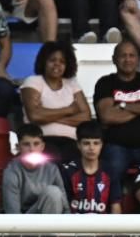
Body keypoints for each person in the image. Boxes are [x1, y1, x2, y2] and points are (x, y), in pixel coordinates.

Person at [95, 40, 140, 175]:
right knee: (113, 168)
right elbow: (107, 116)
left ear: (138, 59)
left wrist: (123, 106)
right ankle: (115, 197)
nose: (127, 59)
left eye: (132, 55)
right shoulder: (105, 82)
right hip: (116, 146)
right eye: (123, 55)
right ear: (114, 59)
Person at [21, 42, 91, 170]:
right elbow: (35, 116)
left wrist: (46, 114)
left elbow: (86, 118)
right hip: (42, 141)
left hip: (71, 141)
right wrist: (70, 110)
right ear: (44, 61)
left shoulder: (72, 83)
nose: (57, 64)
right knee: (53, 160)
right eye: (52, 60)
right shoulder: (33, 81)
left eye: (62, 61)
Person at [2, 124, 69, 217]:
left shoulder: (52, 169)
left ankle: (50, 231)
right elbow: (13, 214)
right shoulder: (11, 171)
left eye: (36, 144)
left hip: (49, 224)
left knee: (53, 192)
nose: (32, 149)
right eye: (26, 144)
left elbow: (65, 207)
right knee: (52, 192)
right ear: (18, 147)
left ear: (42, 146)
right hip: (21, 224)